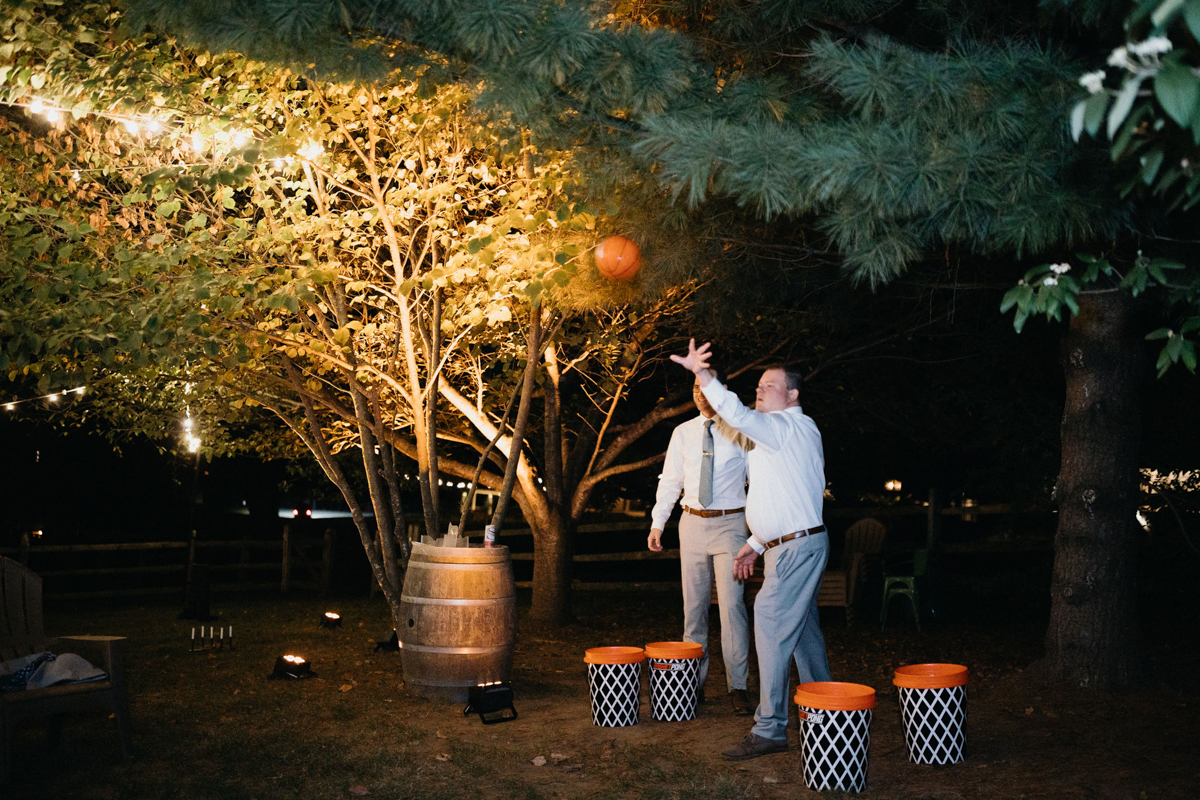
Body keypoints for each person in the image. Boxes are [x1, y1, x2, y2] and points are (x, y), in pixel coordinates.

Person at [671, 339, 832, 761]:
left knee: (770, 619)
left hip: (796, 550)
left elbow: (735, 413)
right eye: (758, 385)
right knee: (802, 635)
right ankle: (828, 714)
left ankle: (770, 728)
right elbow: (794, 496)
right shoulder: (785, 437)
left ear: (792, 395)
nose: (759, 390)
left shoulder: (786, 427)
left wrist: (703, 375)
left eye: (769, 385)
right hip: (793, 545)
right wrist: (756, 543)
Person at [648, 374, 754, 715]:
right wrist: (658, 522)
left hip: (731, 525)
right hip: (691, 523)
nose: (699, 394)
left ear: (721, 392)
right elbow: (671, 481)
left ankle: (738, 686)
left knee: (731, 608)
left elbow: (758, 482)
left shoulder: (740, 430)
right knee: (693, 610)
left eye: (706, 388)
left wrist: (758, 532)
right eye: (694, 388)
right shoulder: (682, 433)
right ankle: (692, 685)